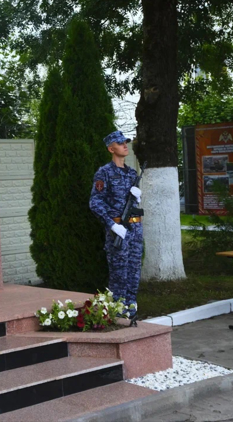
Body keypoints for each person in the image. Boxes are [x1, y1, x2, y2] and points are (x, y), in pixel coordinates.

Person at [89, 130, 144, 325]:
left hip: (135, 230)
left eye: (125, 142)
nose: (124, 145)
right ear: (111, 148)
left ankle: (131, 309)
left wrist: (137, 198)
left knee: (134, 271)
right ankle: (117, 313)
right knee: (119, 274)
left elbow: (132, 205)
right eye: (120, 143)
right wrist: (112, 224)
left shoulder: (131, 173)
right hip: (118, 230)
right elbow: (95, 202)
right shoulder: (104, 172)